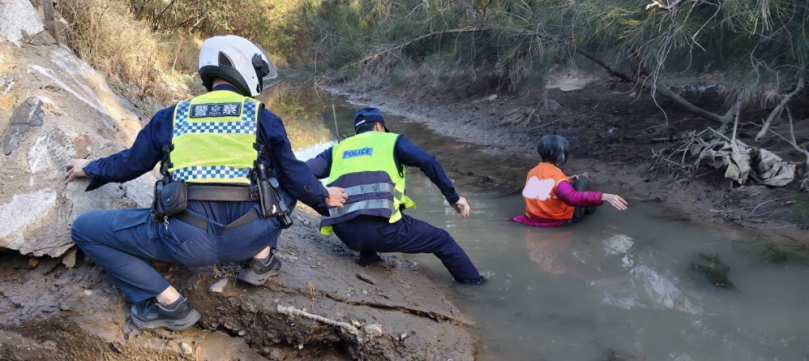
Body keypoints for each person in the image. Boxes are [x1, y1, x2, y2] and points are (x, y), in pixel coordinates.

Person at [64, 35, 347, 331]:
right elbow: (295, 176)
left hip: (185, 242)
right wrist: (323, 195)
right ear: (241, 67)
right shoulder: (264, 119)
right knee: (280, 177)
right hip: (251, 235)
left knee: (85, 230)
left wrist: (92, 167)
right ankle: (262, 258)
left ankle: (168, 302)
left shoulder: (170, 117)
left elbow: (130, 164)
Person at [305, 108, 486, 285]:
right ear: (378, 126)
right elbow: (427, 161)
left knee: (365, 210)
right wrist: (453, 197)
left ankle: (368, 256)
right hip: (384, 232)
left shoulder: (338, 149)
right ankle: (474, 282)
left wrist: (324, 201)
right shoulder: (393, 141)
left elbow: (302, 172)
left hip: (345, 232)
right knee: (442, 240)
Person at [511, 134, 627, 227]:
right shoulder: (557, 176)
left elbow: (545, 186)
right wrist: (603, 196)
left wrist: (566, 179)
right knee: (582, 180)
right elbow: (570, 197)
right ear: (560, 155)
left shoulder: (533, 171)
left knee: (576, 180)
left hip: (535, 217)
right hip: (559, 221)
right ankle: (590, 210)